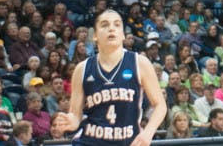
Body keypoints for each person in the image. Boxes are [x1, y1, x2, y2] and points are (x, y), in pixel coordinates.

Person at [54, 9, 167, 146]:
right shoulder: (82, 69)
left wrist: (148, 132)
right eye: (105, 25)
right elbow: (75, 115)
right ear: (95, 36)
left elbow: (160, 105)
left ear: (123, 34)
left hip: (128, 141)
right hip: (89, 141)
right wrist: (70, 121)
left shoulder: (140, 63)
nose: (111, 28)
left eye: (117, 24)